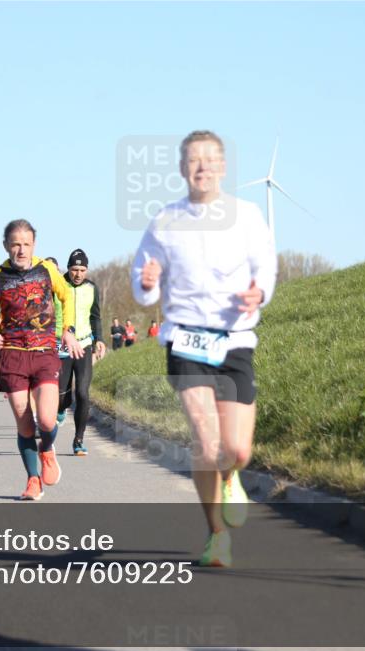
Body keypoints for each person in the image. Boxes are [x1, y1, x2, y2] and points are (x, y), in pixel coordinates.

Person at [131, 130, 277, 567]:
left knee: (236, 450)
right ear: (182, 169)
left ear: (224, 167)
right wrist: (147, 283)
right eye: (194, 160)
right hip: (186, 339)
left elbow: (265, 266)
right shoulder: (165, 221)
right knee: (205, 439)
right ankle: (216, 534)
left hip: (234, 340)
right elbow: (142, 277)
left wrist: (260, 293)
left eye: (212, 160)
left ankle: (232, 476)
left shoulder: (248, 215)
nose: (203, 167)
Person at [0, 220, 83, 501]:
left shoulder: (47, 269)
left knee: (47, 420)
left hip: (44, 351)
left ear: (34, 244)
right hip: (12, 354)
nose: (20, 250)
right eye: (15, 244)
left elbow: (66, 296)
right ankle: (33, 480)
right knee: (24, 425)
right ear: (6, 246)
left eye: (26, 244)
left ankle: (47, 449)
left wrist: (68, 330)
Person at [58, 248, 106, 455]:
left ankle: (78, 440)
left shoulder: (92, 288)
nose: (78, 274)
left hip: (84, 345)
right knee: (62, 397)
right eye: (74, 269)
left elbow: (95, 316)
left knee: (83, 394)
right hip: (61, 346)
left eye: (82, 270)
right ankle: (61, 407)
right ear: (68, 268)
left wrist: (100, 340)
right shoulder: (58, 285)